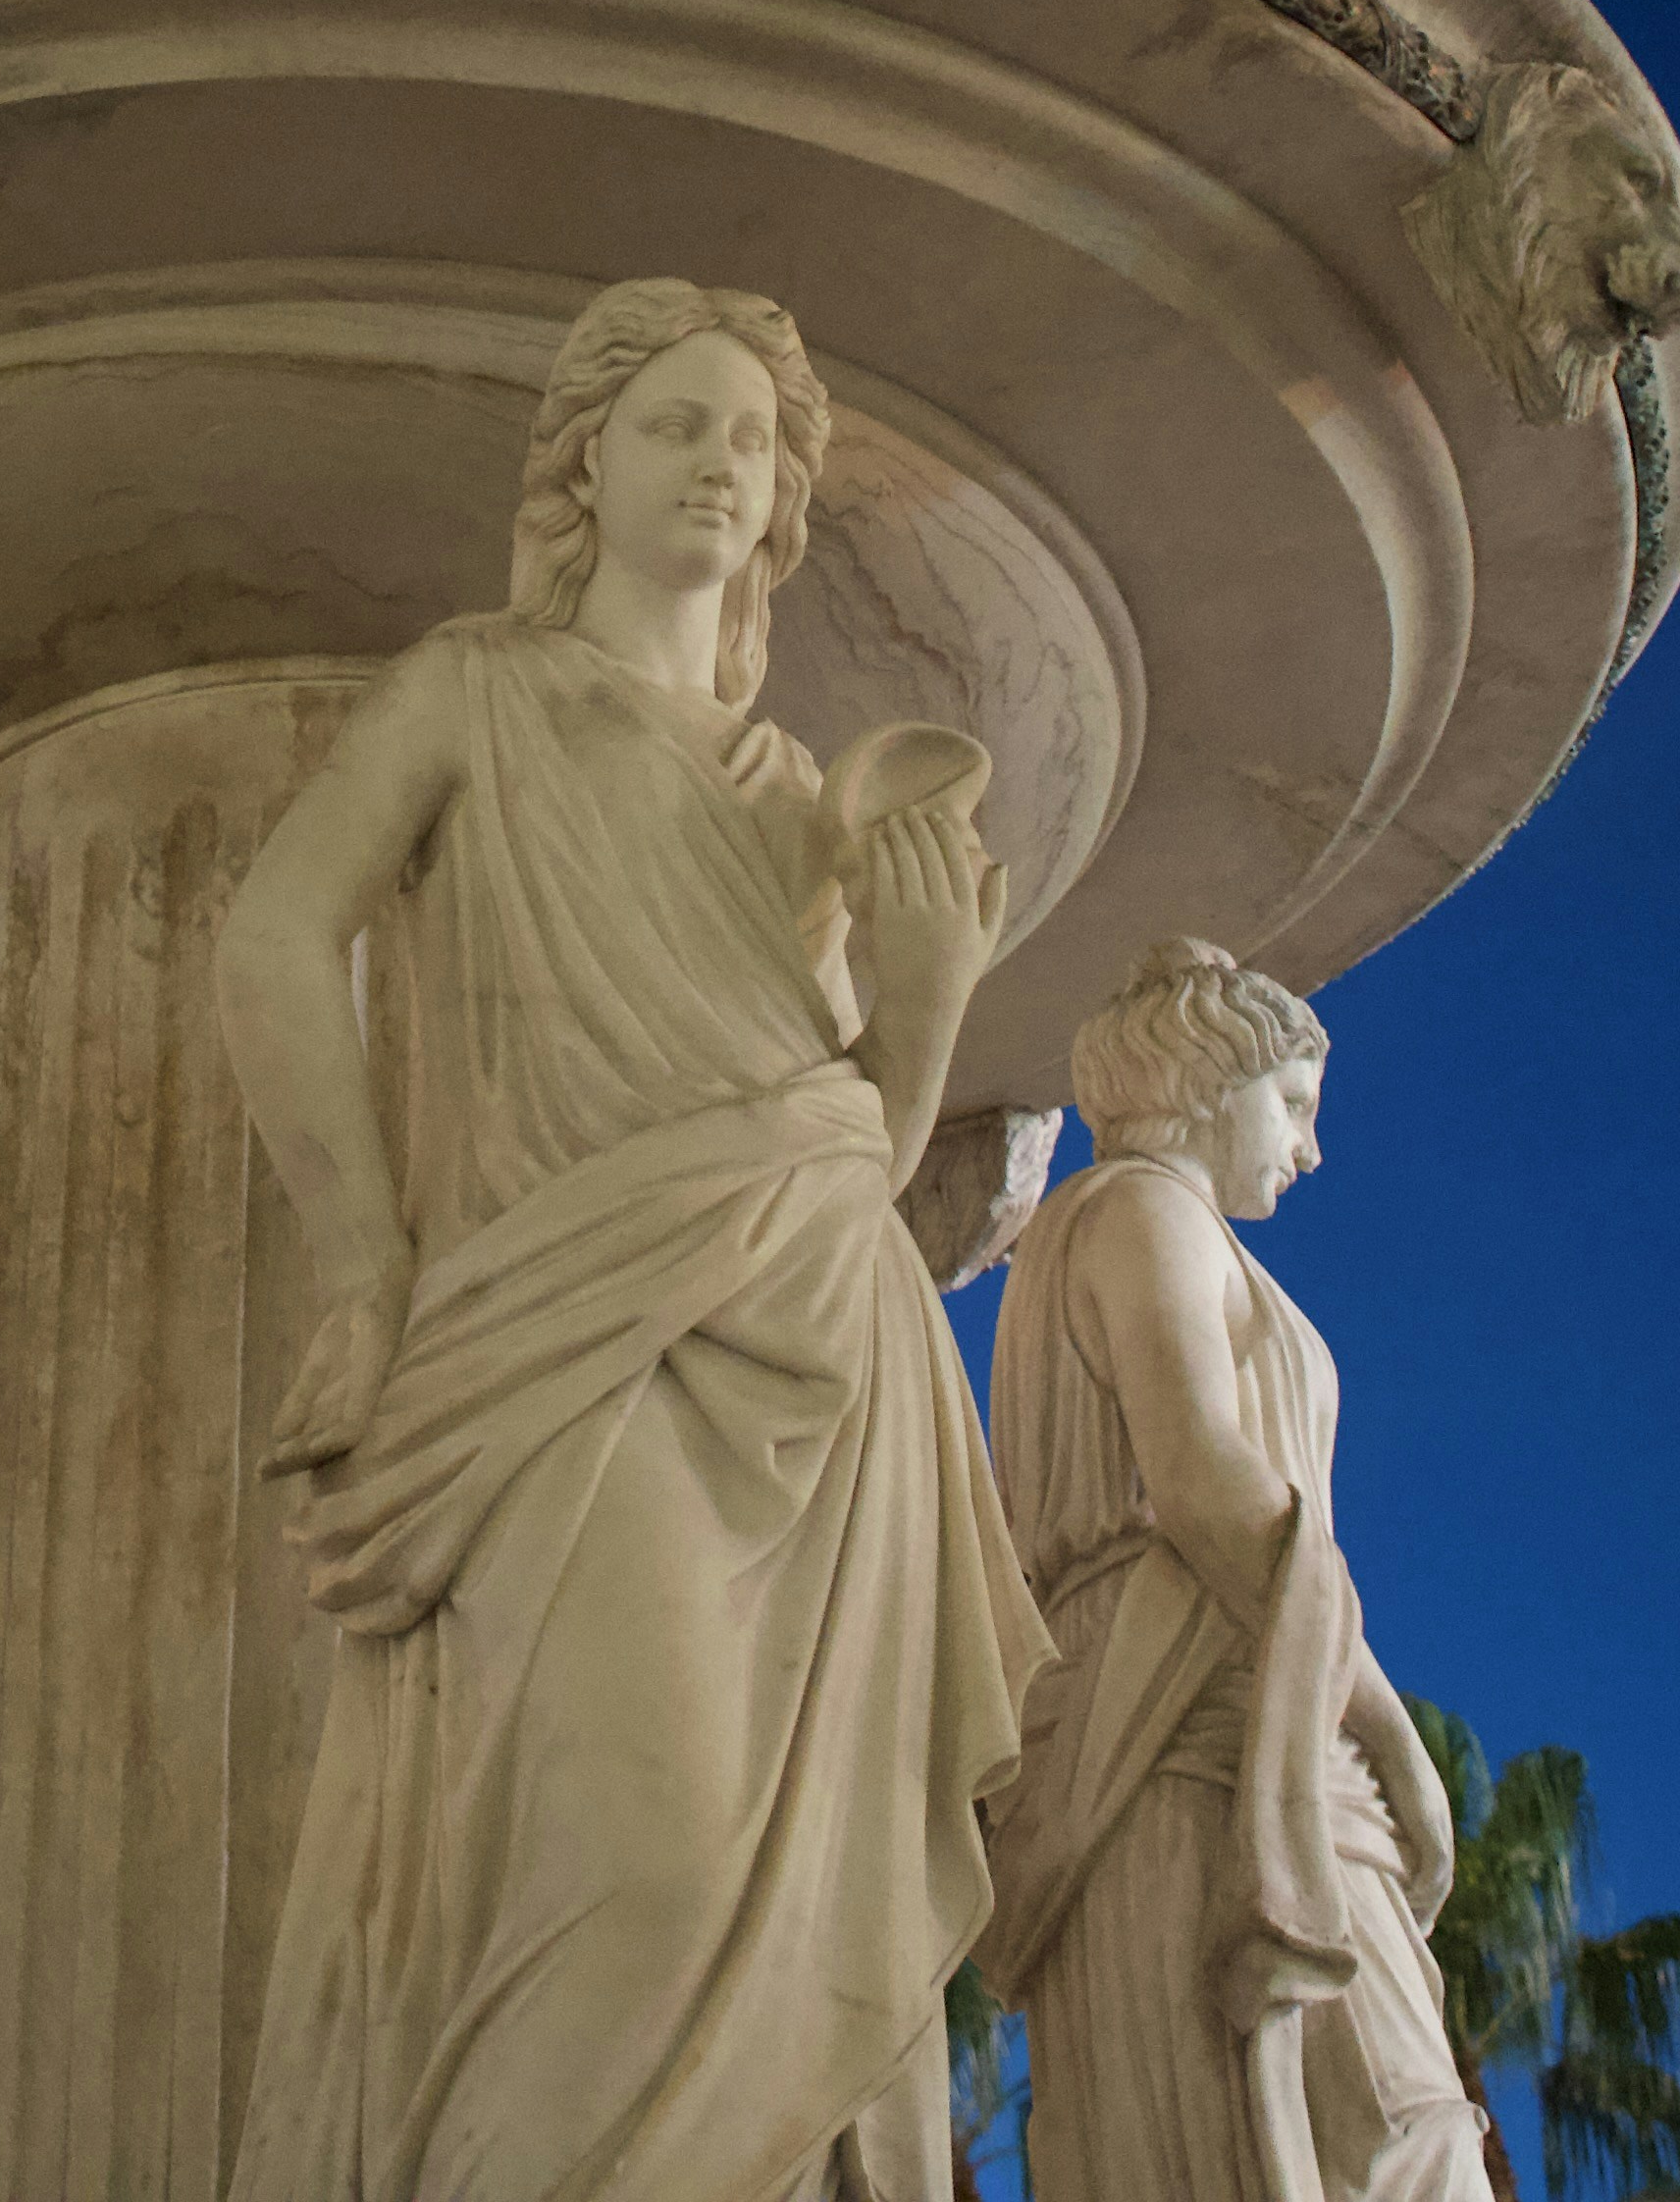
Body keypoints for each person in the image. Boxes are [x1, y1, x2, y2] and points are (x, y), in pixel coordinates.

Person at [217, 278, 1050, 2202]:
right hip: (567, 1330)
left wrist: (926, 991)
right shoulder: (478, 686)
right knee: (642, 1876)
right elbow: (275, 935)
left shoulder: (793, 796)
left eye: (751, 441)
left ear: (779, 513)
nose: (718, 462)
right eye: (676, 420)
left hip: (833, 1361)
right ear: (585, 455)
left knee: (827, 1940)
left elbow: (849, 1138)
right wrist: (365, 1256)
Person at [981, 941, 1486, 2202]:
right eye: (1296, 1104)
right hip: (1193, 1701)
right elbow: (1206, 1484)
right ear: (1208, 1077)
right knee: (1387, 2131)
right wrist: (1388, 1730)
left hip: (1209, 1692)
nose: (1309, 1149)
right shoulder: (1142, 1209)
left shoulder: (1106, 1228)